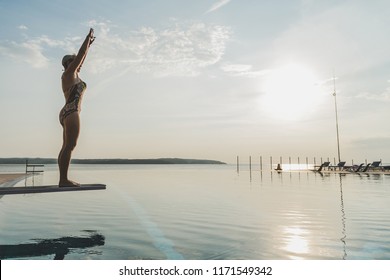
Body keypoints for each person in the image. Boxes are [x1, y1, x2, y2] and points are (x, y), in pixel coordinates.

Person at [58, 28, 95, 187]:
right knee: (70, 145)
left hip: (67, 112)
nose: (79, 64)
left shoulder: (73, 76)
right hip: (71, 111)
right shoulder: (68, 74)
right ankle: (63, 180)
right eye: (74, 61)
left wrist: (89, 47)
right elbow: (80, 56)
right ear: (69, 63)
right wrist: (86, 40)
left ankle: (63, 179)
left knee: (66, 146)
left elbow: (82, 57)